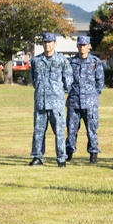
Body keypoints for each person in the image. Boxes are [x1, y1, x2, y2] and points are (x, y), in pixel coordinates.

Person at [28, 32, 72, 166]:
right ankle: (37, 157)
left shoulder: (62, 60)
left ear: (55, 44)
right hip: (41, 101)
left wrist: (58, 92)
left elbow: (68, 81)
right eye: (45, 42)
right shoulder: (36, 61)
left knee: (59, 131)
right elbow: (33, 80)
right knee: (38, 131)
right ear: (42, 44)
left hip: (56, 103)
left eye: (50, 42)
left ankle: (61, 158)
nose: (47, 45)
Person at [65, 35, 104, 164]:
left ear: (89, 46)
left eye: (84, 45)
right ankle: (69, 153)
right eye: (80, 45)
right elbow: (66, 80)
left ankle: (93, 154)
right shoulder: (71, 62)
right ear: (77, 46)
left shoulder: (95, 62)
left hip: (90, 103)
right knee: (71, 129)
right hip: (74, 102)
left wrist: (93, 95)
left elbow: (100, 82)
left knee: (92, 129)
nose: (82, 47)